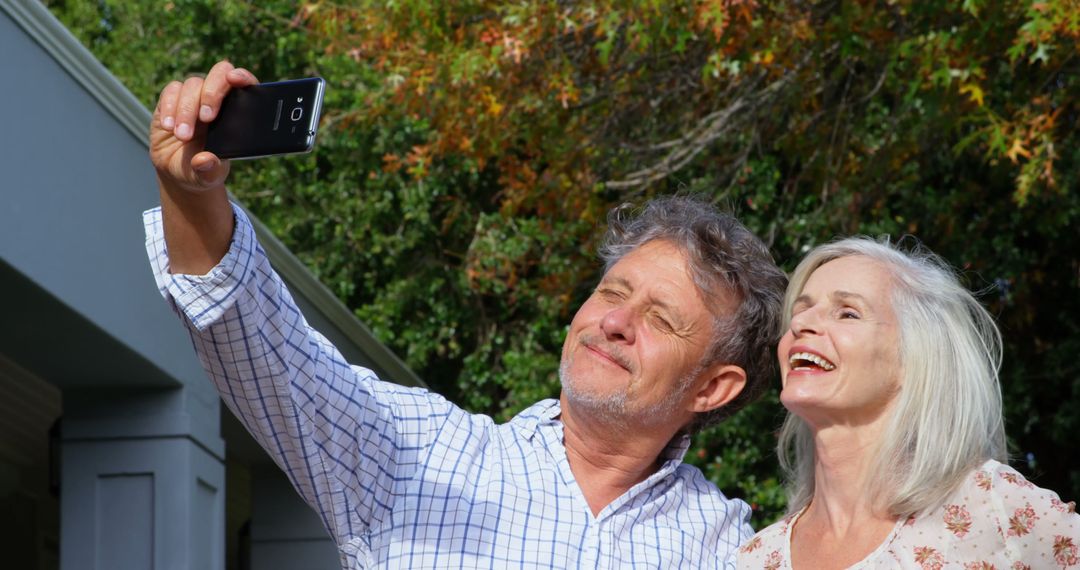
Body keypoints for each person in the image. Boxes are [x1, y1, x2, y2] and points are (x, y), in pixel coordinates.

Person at [146, 60, 789, 568]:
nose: (615, 322)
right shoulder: (418, 453)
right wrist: (191, 195)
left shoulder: (733, 547)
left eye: (660, 319)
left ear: (713, 387)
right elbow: (264, 350)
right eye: (613, 292)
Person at [737, 237, 1080, 569]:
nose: (800, 323)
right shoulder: (755, 558)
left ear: (915, 358)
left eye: (847, 314)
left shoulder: (994, 507)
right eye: (801, 310)